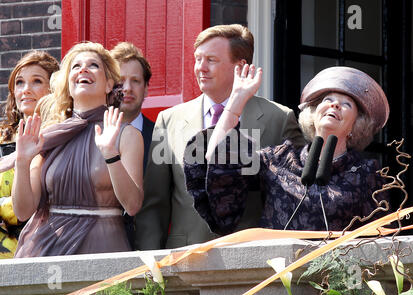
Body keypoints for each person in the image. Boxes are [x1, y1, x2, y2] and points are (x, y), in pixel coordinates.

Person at [135, 24, 305, 250]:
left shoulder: (279, 119)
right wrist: (150, 267)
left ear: (240, 66)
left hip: (252, 256)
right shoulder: (169, 120)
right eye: (198, 59)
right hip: (185, 257)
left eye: (211, 60)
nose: (200, 68)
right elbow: (154, 203)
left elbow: (296, 198)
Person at [184, 65, 390, 235]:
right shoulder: (280, 158)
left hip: (334, 277)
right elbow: (217, 157)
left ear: (355, 126)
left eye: (346, 104)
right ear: (313, 112)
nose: (335, 105)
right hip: (276, 274)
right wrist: (236, 101)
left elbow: (379, 237)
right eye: (327, 100)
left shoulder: (366, 173)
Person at [11, 42, 144, 257]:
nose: (83, 69)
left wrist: (111, 155)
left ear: (109, 84)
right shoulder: (47, 136)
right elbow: (23, 211)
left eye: (93, 65)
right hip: (47, 250)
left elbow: (132, 205)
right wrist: (22, 162)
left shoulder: (126, 135)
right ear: (69, 85)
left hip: (103, 249)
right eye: (76, 66)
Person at [0, 51, 59, 258]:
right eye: (19, 83)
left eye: (36, 81)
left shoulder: (60, 139)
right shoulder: (2, 139)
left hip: (43, 248)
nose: (25, 90)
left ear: (53, 89)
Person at [110, 42, 154, 249]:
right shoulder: (88, 134)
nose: (127, 88)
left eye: (135, 81)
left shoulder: (163, 137)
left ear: (146, 89)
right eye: (120, 81)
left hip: (152, 250)